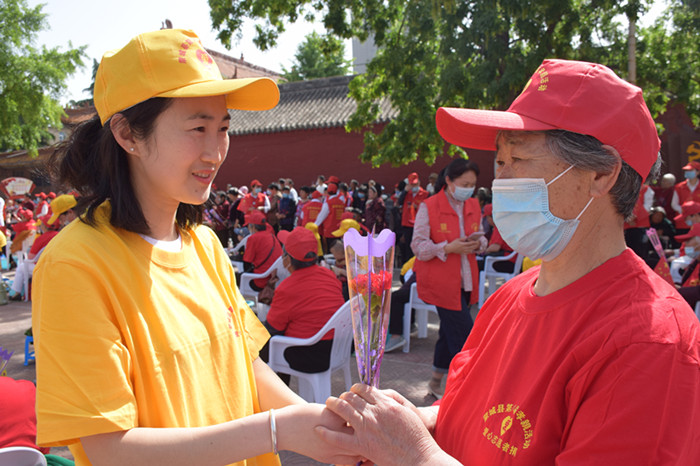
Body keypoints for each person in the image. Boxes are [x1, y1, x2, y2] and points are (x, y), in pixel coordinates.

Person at [318, 59, 700, 464]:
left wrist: (414, 454)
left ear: (601, 174)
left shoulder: (649, 343)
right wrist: (413, 420)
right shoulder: (510, 297)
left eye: (517, 160)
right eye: (498, 162)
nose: (500, 181)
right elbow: (467, 412)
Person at [32, 29, 357, 466]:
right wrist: (276, 430)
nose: (215, 151)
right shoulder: (74, 265)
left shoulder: (203, 243)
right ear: (128, 134)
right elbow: (110, 448)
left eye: (223, 128)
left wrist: (324, 426)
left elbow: (245, 364)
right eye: (198, 128)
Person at [409, 159, 483, 398]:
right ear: (449, 181)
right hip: (441, 282)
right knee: (466, 336)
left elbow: (482, 238)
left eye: (472, 184)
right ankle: (463, 392)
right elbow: (418, 246)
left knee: (448, 331)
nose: (469, 188)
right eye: (464, 183)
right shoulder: (429, 206)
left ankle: (434, 383)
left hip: (466, 280)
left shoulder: (472, 203)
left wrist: (477, 242)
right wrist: (448, 248)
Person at [259, 227, 345, 384]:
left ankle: (277, 398)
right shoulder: (330, 275)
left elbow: (272, 328)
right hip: (338, 350)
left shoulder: (287, 287)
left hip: (310, 355)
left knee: (262, 345)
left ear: (288, 259)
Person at [9, 195, 76, 301]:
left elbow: (31, 258)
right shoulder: (59, 233)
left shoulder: (43, 237)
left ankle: (16, 292)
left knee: (22, 267)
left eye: (61, 217)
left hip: (47, 266)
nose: (62, 221)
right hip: (58, 268)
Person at [243, 211, 283, 291]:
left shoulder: (253, 238)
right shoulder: (271, 235)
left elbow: (247, 261)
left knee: (239, 277)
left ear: (253, 226)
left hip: (261, 281)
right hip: (276, 279)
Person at [399, 172, 429, 262]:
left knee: (418, 247)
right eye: (411, 184)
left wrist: (419, 207)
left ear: (419, 183)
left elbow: (428, 208)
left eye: (415, 184)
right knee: (407, 247)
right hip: (407, 224)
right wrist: (405, 191)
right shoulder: (406, 194)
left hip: (419, 224)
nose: (413, 186)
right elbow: (399, 202)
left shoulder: (425, 194)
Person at [671, 161, 700, 232]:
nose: (688, 172)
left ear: (698, 172)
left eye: (690, 170)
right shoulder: (679, 187)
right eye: (687, 171)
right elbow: (674, 204)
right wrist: (686, 212)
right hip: (683, 222)